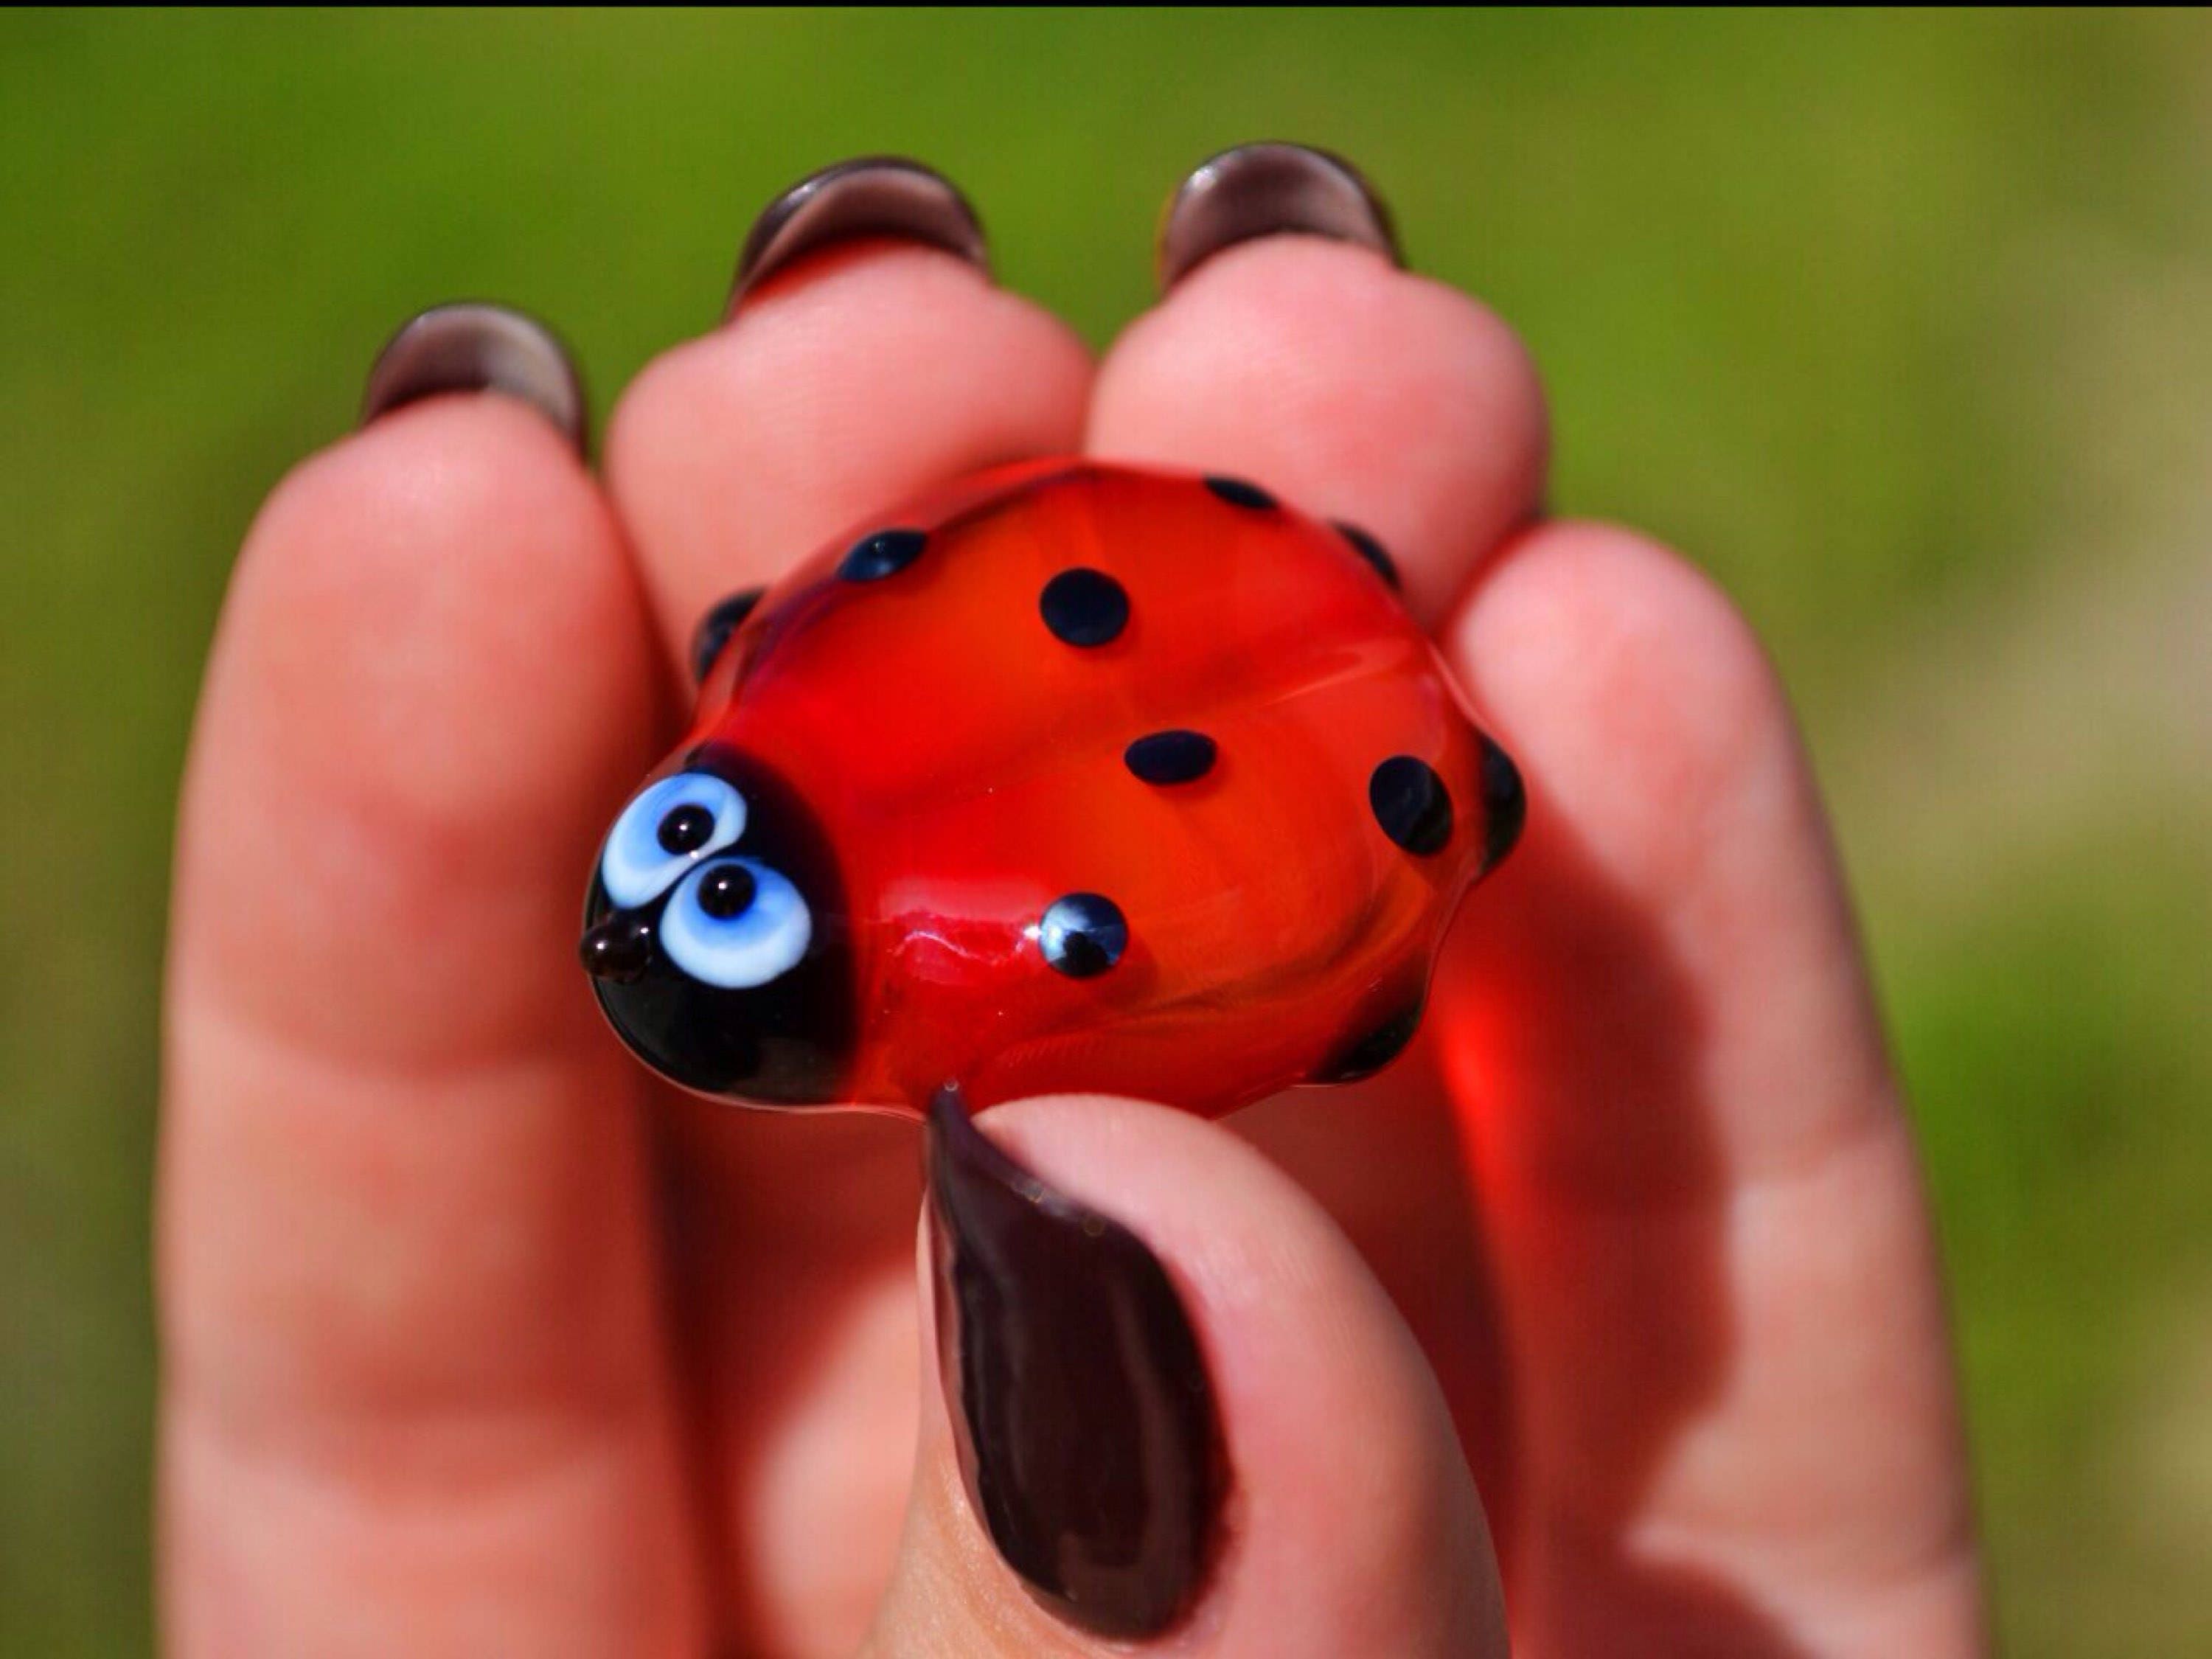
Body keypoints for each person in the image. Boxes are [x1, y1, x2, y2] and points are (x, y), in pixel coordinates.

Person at [157, 145, 1986, 1657]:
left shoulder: (842, 759)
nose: (627, 934)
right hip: (1305, 727)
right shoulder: (800, 691)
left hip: (1328, 740)